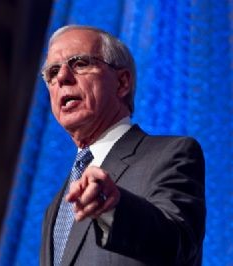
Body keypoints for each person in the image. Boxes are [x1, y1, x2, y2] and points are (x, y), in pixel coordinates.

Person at [39, 25, 206, 266]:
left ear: (122, 82)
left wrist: (113, 208)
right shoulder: (56, 207)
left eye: (80, 63)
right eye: (52, 72)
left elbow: (178, 244)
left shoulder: (172, 155)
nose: (62, 78)